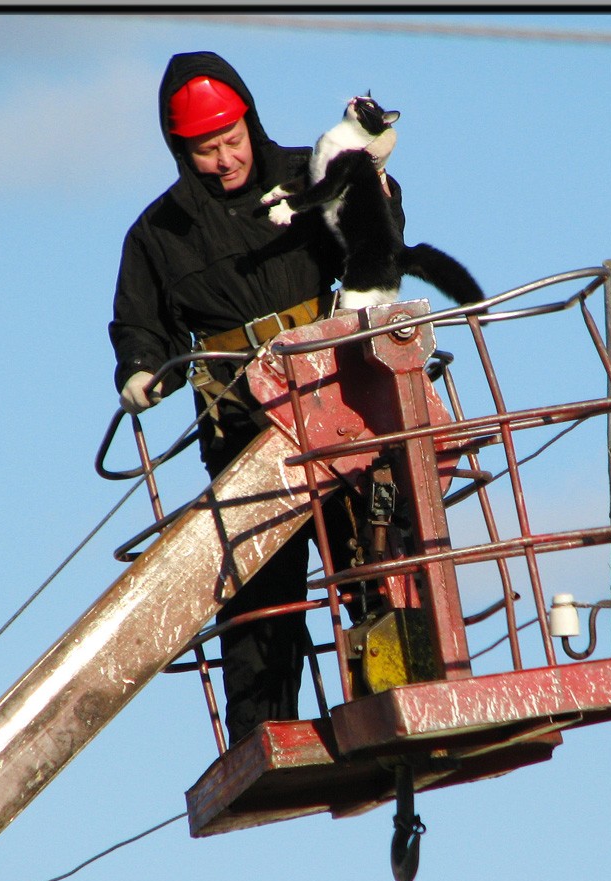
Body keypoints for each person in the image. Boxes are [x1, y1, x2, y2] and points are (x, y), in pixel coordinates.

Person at [108, 52, 406, 746]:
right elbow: (141, 322)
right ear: (183, 150)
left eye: (232, 141)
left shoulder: (313, 175)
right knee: (261, 586)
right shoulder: (159, 235)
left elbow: (374, 237)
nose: (224, 160)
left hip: (341, 403)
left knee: (379, 550)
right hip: (244, 428)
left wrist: (380, 189)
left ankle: (401, 692)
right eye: (207, 150)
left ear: (251, 123)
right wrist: (143, 368)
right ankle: (260, 733)